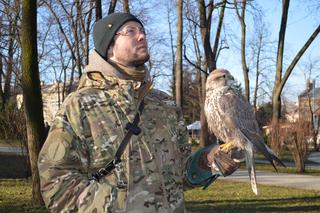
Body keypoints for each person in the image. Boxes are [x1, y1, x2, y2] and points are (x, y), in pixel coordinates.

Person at [38, 12, 240, 212]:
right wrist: (121, 206)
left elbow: (182, 175)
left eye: (142, 30)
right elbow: (56, 183)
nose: (142, 36)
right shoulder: (80, 105)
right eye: (130, 31)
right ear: (109, 47)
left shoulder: (165, 104)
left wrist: (207, 160)